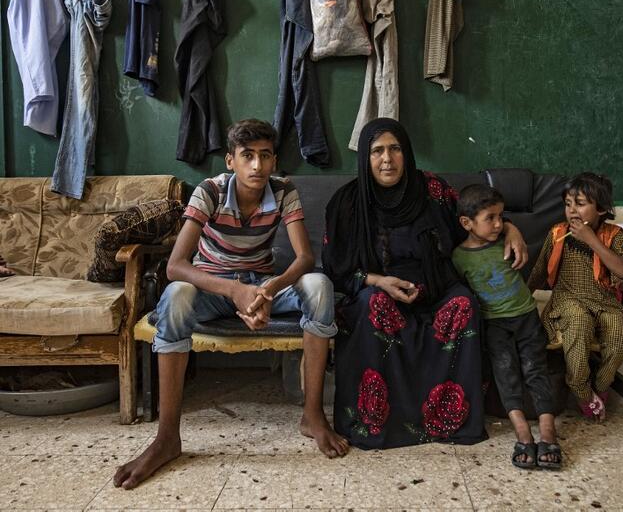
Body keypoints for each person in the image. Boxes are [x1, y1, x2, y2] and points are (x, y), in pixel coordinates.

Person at [113, 119, 347, 490]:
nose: (257, 166)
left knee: (318, 285)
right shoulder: (209, 192)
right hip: (213, 288)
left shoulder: (285, 191)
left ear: (274, 161)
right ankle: (167, 438)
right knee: (175, 296)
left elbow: (303, 259)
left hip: (262, 285)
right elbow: (176, 266)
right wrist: (235, 292)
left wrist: (266, 292)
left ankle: (313, 415)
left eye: (265, 156)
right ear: (230, 161)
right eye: (247, 156)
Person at [322, 118, 529, 449]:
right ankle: (380, 425)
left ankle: (447, 423)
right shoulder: (347, 203)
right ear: (364, 156)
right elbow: (337, 270)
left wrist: (510, 229)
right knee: (372, 305)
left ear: (407, 153)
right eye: (377, 151)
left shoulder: (434, 191)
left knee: (464, 304)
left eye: (395, 149)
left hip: (437, 288)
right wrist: (379, 281)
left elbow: (475, 220)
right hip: (379, 289)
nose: (387, 159)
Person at [452, 184, 561, 469]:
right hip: (494, 324)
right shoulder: (459, 258)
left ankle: (549, 435)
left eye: (502, 216)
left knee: (536, 369)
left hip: (526, 317)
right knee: (506, 373)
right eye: (491, 218)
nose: (499, 224)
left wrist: (511, 229)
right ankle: (523, 435)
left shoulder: (507, 240)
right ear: (466, 223)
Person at [527, 172, 623, 421]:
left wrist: (593, 241)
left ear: (602, 209)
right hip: (568, 299)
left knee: (620, 337)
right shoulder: (557, 233)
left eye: (581, 204)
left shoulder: (614, 235)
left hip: (604, 301)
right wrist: (521, 300)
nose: (572, 211)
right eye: (568, 204)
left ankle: (600, 385)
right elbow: (539, 270)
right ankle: (581, 389)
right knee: (578, 322)